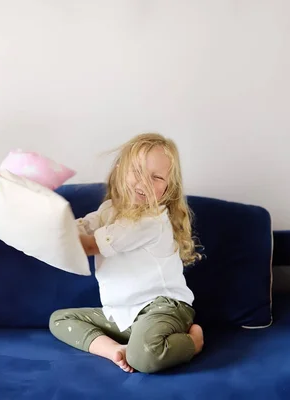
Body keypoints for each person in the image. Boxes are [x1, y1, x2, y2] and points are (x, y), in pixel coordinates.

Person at [49, 133, 204, 373]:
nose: (144, 183)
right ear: (121, 170)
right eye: (137, 171)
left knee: (144, 357)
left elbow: (89, 245)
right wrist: (53, 224)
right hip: (122, 314)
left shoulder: (151, 220)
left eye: (157, 177)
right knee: (59, 319)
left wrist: (56, 237)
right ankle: (113, 350)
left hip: (163, 307)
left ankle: (192, 342)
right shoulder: (108, 210)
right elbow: (80, 227)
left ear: (168, 187)